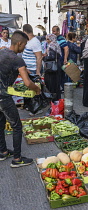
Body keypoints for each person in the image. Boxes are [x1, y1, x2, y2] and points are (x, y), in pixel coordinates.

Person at [0, 30, 41, 167]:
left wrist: (22, 70)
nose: (24, 48)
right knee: (17, 126)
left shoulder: (2, 52)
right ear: (19, 43)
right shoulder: (17, 59)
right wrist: (37, 89)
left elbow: (6, 69)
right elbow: (28, 83)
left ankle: (3, 151)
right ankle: (17, 159)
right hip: (3, 97)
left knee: (0, 123)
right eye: (24, 45)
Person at [22, 24, 43, 116]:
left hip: (33, 70)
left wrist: (38, 71)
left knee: (34, 89)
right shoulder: (28, 41)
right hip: (27, 69)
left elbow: (39, 57)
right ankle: (29, 106)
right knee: (28, 89)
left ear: (25, 32)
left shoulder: (35, 42)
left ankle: (35, 109)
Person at [43, 34, 62, 101]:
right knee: (56, 83)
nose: (47, 41)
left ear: (51, 39)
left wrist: (44, 57)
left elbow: (51, 57)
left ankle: (53, 99)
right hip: (57, 65)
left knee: (52, 83)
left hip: (52, 67)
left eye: (48, 39)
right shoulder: (56, 44)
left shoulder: (52, 45)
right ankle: (56, 98)